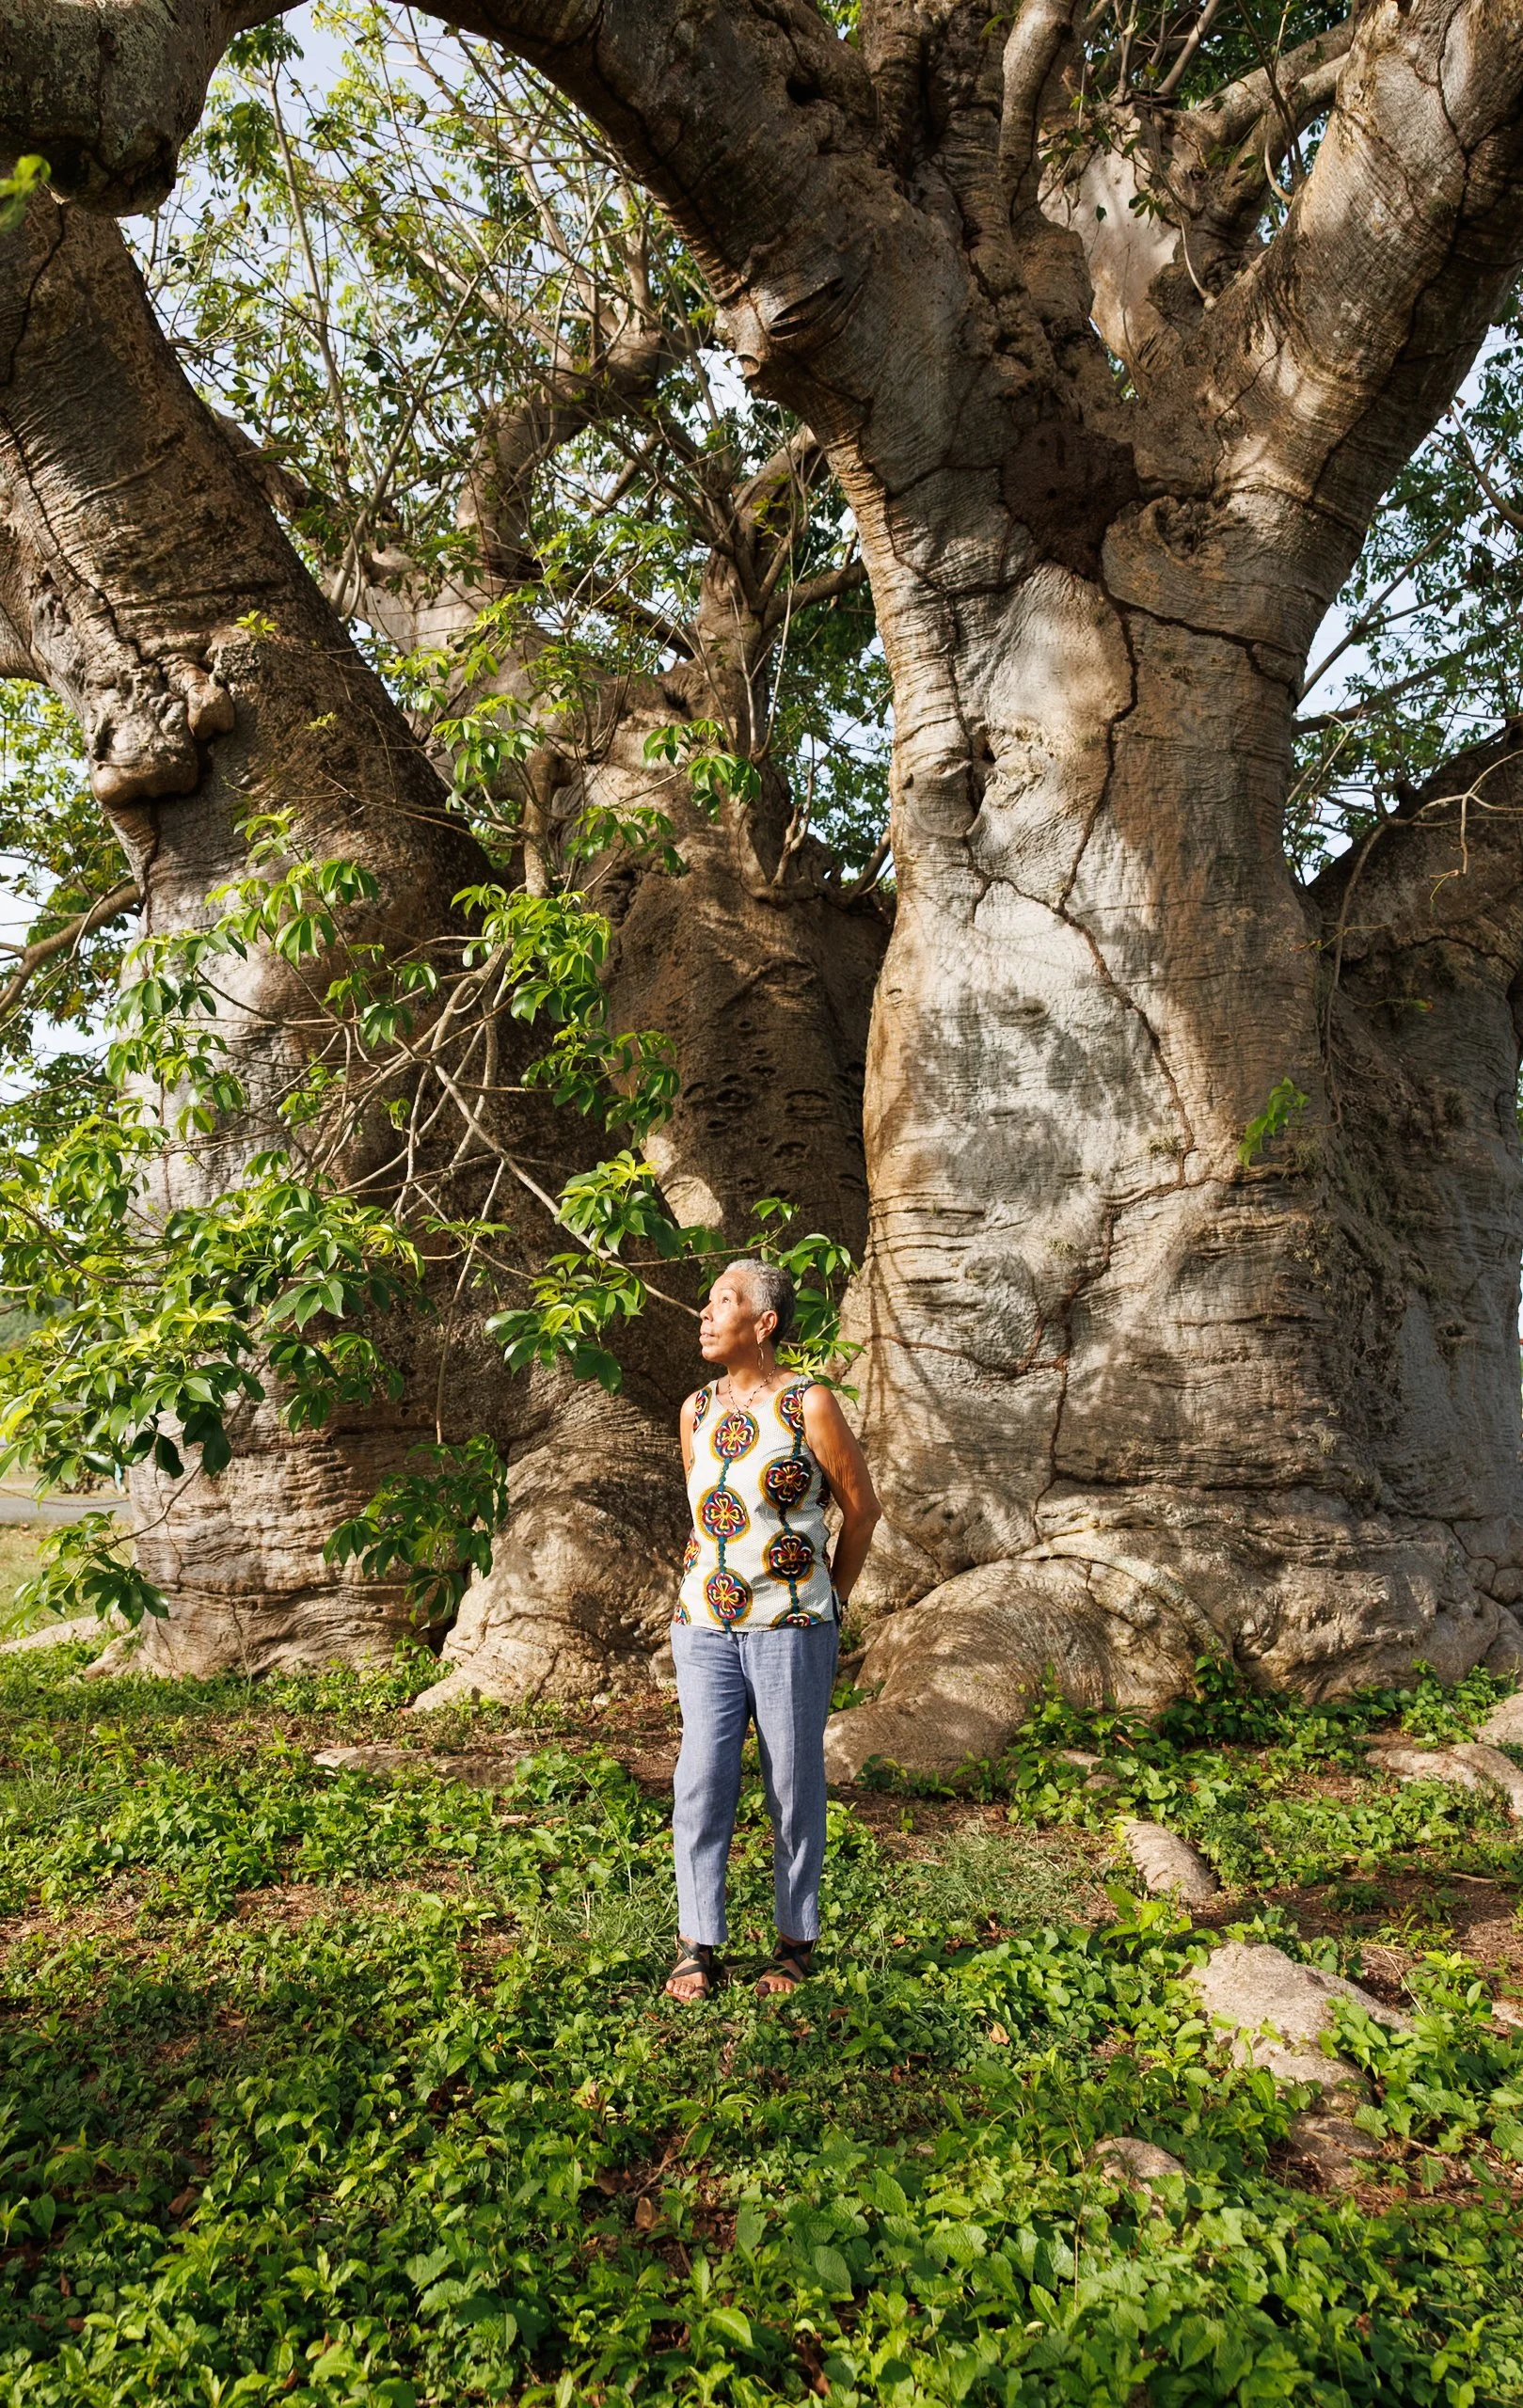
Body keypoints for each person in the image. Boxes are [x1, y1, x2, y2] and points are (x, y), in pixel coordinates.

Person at [664, 1259, 881, 2004]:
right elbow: (703, 1514)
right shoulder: (694, 1409)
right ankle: (699, 1941)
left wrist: (826, 1600)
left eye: (723, 1301)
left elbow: (862, 1508)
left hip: (791, 1627)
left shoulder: (807, 1404)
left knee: (791, 1784)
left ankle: (795, 1942)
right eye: (707, 1300)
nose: (705, 1312)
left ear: (764, 1323)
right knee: (701, 1781)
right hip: (702, 1626)